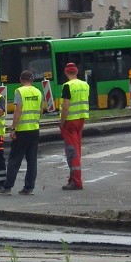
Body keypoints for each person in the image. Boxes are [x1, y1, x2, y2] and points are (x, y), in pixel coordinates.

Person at [0, 70, 43, 196]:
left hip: (22, 130)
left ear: (21, 79)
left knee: (14, 160)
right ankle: (29, 187)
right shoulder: (38, 92)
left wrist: (13, 128)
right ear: (32, 79)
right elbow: (40, 111)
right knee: (32, 160)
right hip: (34, 129)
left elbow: (18, 110)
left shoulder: (19, 91)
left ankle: (7, 187)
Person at [59, 63, 89, 191]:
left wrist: (62, 122)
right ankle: (73, 179)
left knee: (72, 152)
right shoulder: (85, 85)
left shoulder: (67, 86)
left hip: (70, 121)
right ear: (76, 72)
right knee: (77, 150)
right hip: (81, 119)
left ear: (66, 73)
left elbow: (65, 107)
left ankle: (76, 181)